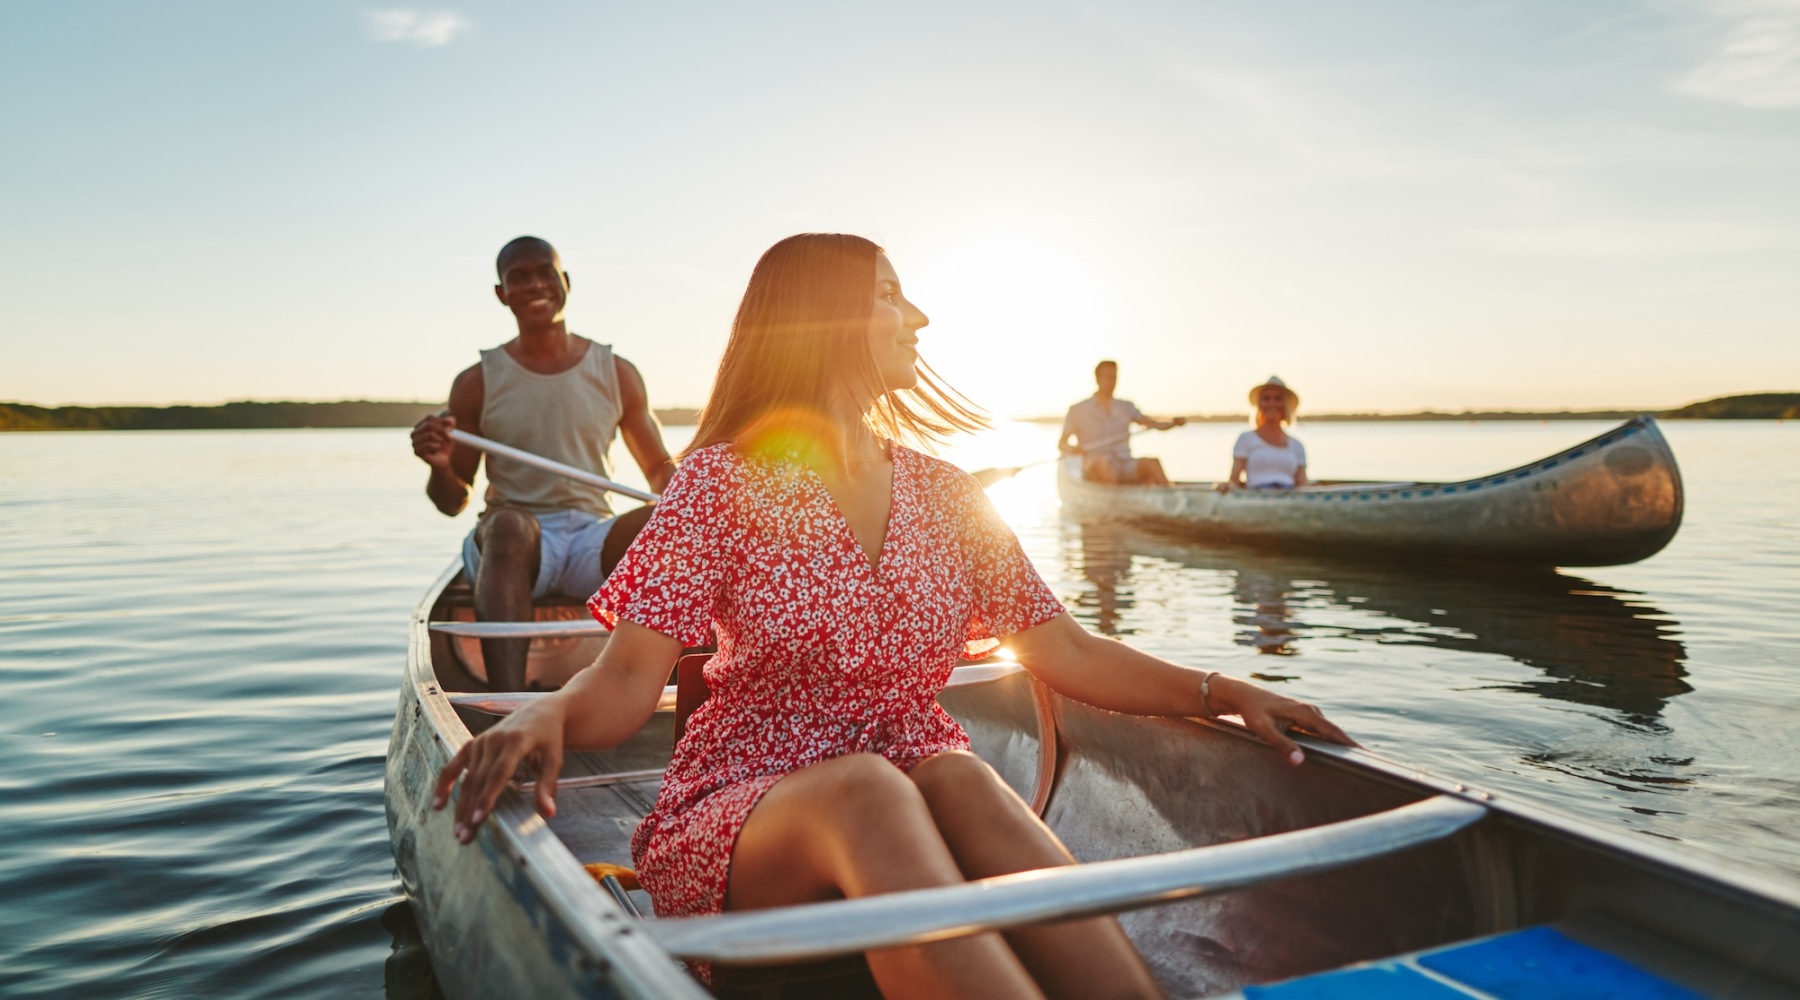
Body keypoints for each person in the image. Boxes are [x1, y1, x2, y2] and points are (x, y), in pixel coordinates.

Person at [432, 234, 1354, 1000]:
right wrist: (547, 713)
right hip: (744, 818)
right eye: (889, 295)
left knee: (955, 776)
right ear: (823, 323)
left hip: (912, 786)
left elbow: (1064, 647)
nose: (917, 317)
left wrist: (1223, 690)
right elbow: (629, 680)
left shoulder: (948, 496)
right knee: (874, 782)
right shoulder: (721, 484)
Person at [410, 236, 675, 691]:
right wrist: (438, 465)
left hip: (592, 536)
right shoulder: (477, 382)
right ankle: (508, 708)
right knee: (511, 525)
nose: (535, 285)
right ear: (501, 294)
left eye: (545, 273)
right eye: (519, 277)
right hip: (517, 546)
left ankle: (658, 695)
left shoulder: (618, 372)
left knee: (664, 520)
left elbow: (660, 474)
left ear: (565, 282)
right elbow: (453, 502)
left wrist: (701, 502)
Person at [1058, 361, 1186, 486]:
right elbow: (1062, 443)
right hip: (1095, 465)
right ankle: (1113, 503)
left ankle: (1170, 499)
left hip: (1124, 463)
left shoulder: (1126, 406)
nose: (1112, 382)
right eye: (1108, 377)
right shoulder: (1078, 410)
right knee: (1103, 465)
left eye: (1114, 377)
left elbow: (1153, 424)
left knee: (1153, 463)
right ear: (1097, 379)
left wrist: (1173, 423)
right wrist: (1073, 449)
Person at [1218, 375, 1307, 492]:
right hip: (1256, 495)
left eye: (1278, 398)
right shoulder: (1246, 439)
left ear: (1286, 405)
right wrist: (1225, 486)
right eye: (1266, 398)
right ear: (1260, 405)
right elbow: (1234, 480)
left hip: (1289, 496)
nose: (1272, 403)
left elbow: (1302, 485)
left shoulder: (1296, 445)